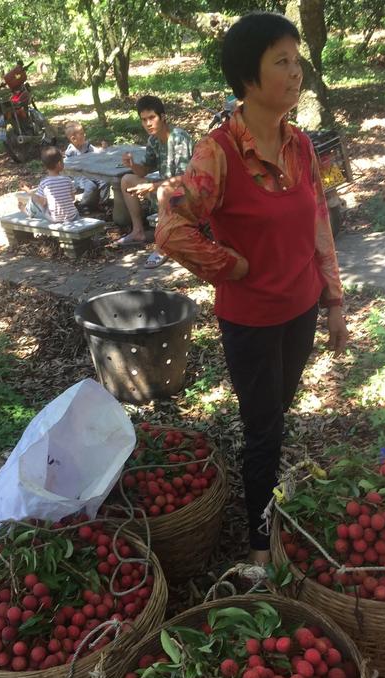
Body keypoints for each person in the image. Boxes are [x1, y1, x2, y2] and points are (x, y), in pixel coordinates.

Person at [155, 12, 348, 566]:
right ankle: (261, 549)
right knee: (263, 432)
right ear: (247, 77)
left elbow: (318, 223)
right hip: (252, 321)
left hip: (302, 308)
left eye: (296, 60)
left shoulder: (301, 146)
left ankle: (268, 500)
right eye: (281, 62)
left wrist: (334, 301)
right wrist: (228, 265)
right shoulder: (217, 153)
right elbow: (170, 228)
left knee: (276, 415)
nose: (296, 72)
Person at [115, 95, 193, 268]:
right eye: (144, 120)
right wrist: (133, 164)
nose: (148, 123)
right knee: (127, 180)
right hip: (165, 189)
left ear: (162, 116)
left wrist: (152, 186)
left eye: (152, 118)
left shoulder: (179, 138)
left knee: (163, 190)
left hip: (187, 195)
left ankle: (162, 247)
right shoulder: (153, 140)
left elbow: (185, 179)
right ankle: (138, 232)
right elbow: (146, 169)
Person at [63, 121, 111, 216]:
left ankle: (103, 202)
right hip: (80, 176)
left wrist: (103, 149)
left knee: (105, 181)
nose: (84, 135)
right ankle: (83, 205)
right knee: (90, 186)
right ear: (73, 139)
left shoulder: (87, 145)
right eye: (81, 134)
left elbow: (97, 152)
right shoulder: (71, 151)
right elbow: (69, 166)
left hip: (91, 173)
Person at [21, 146, 79, 223]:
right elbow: (72, 198)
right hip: (73, 216)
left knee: (34, 199)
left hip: (56, 219)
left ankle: (27, 211)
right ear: (59, 164)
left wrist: (28, 191)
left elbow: (42, 202)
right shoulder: (68, 180)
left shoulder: (44, 183)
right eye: (63, 161)